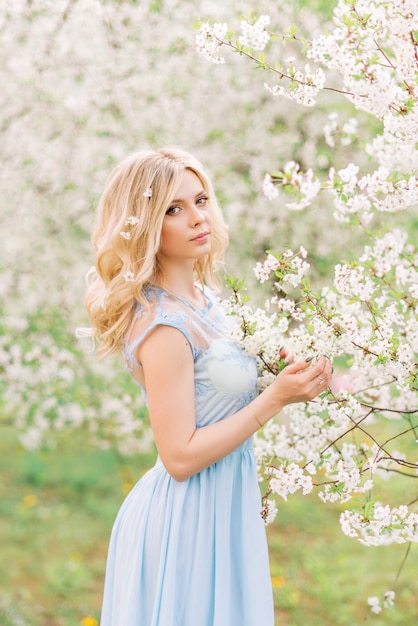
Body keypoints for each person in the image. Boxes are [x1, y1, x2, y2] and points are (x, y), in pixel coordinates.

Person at [85, 146, 332, 626]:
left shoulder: (206, 300)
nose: (197, 217)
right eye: (174, 210)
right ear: (146, 225)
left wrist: (274, 375)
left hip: (227, 506)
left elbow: (214, 393)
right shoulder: (164, 328)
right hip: (188, 519)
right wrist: (275, 400)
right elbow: (179, 458)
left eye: (200, 200)